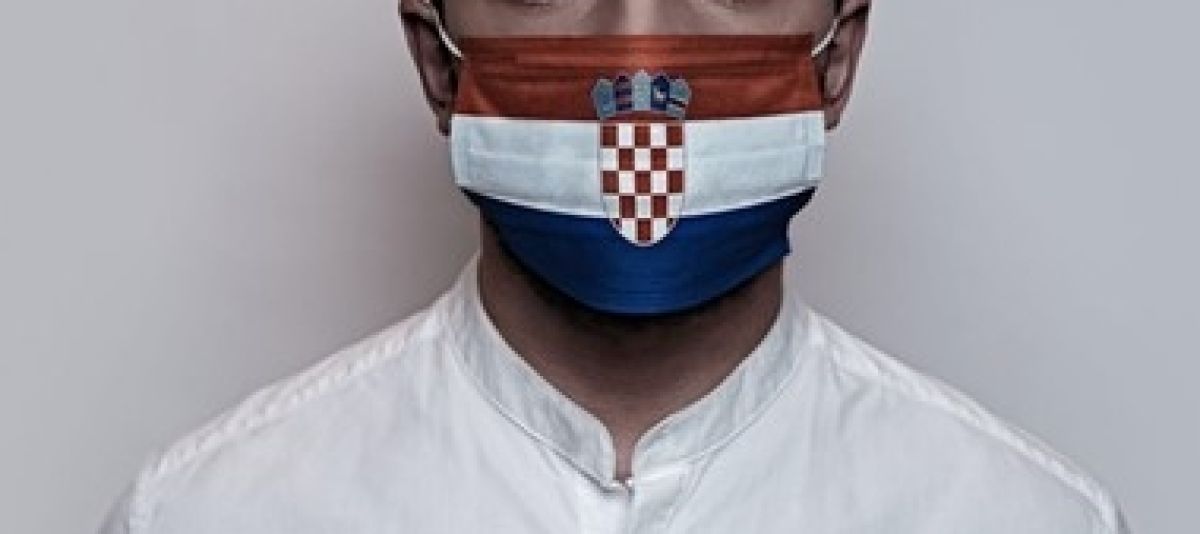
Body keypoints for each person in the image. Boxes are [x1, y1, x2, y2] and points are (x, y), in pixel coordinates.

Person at [99, 0, 1131, 532]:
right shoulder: (208, 517)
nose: (640, 58)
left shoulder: (1026, 521)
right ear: (436, 61)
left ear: (839, 58)